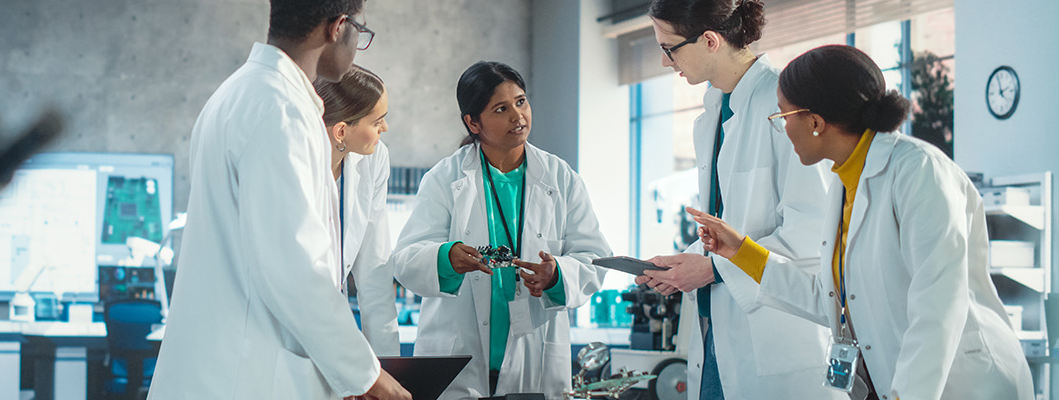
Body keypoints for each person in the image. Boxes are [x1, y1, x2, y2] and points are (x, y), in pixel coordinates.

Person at [689, 44, 1035, 400]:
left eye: (781, 117)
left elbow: (937, 311)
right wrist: (741, 252)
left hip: (967, 385)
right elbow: (832, 301)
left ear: (815, 121)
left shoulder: (919, 172)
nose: (782, 130)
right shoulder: (844, 183)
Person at [147, 0, 410, 399]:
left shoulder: (238, 93)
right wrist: (367, 376)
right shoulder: (282, 110)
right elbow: (296, 266)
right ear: (338, 27)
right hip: (247, 374)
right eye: (363, 31)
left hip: (222, 366)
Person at [635, 1, 839, 399]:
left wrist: (711, 269)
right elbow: (728, 226)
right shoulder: (713, 112)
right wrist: (684, 262)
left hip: (775, 340)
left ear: (709, 40)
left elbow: (813, 231)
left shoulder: (787, 105)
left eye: (668, 48)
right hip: (717, 338)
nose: (664, 62)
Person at [389, 61, 611, 400]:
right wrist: (445, 257)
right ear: (473, 122)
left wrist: (557, 275)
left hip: (534, 356)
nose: (517, 116)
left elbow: (594, 256)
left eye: (521, 102)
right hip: (459, 357)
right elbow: (405, 259)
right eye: (501, 109)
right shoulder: (445, 179)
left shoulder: (560, 178)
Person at [315, 64, 400, 356]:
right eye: (377, 122)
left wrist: (387, 367)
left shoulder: (375, 159)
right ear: (341, 131)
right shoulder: (294, 167)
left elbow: (375, 273)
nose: (384, 129)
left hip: (331, 326)